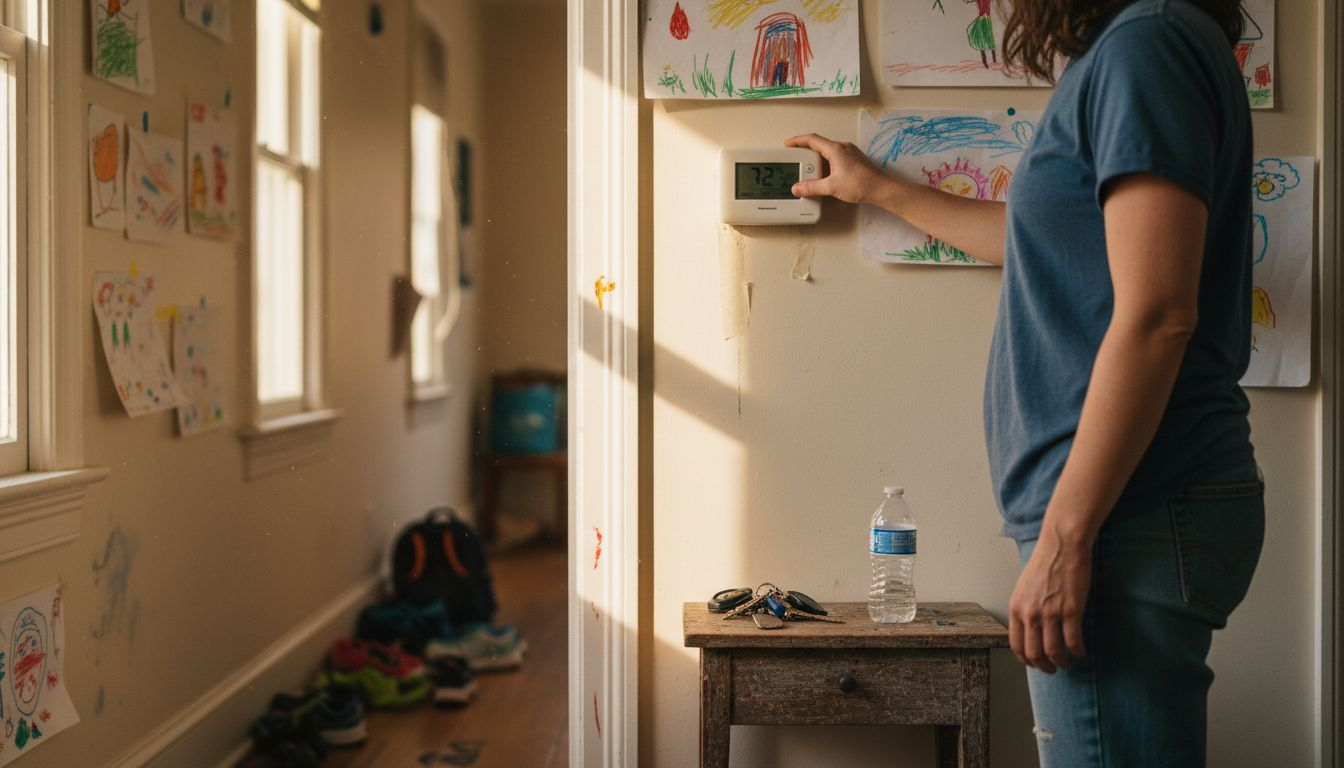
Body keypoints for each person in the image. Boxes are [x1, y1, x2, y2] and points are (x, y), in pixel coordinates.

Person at [786, 0, 1262, 764]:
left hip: (1124, 513)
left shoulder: (1150, 45)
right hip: (1121, 510)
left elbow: (1158, 314)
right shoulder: (1134, 47)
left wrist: (1067, 539)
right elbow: (1045, 242)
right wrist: (879, 189)